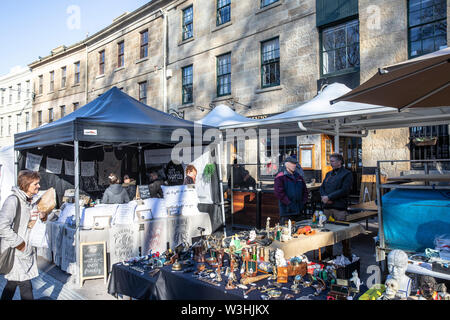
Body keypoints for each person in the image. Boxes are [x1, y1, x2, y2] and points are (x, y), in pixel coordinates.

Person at [0, 170, 48, 300]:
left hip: (26, 251)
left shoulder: (31, 201)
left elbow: (32, 222)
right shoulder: (13, 200)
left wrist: (43, 217)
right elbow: (2, 226)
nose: (38, 186)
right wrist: (19, 243)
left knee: (12, 283)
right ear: (26, 185)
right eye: (35, 184)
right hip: (15, 251)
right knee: (25, 285)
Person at [319, 153, 353, 258]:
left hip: (339, 208)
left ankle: (347, 253)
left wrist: (329, 197)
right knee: (327, 231)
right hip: (327, 208)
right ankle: (328, 252)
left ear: (339, 162)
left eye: (333, 161)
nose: (331, 163)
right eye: (330, 161)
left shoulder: (347, 174)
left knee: (343, 232)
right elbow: (322, 187)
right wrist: (324, 196)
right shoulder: (329, 174)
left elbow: (344, 190)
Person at [274, 156, 308, 225]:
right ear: (286, 164)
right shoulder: (280, 176)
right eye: (292, 163)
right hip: (287, 212)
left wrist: (303, 202)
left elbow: (305, 190)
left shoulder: (298, 176)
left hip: (298, 211)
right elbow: (279, 193)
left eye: (295, 163)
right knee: (286, 232)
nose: (294, 165)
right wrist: (289, 204)